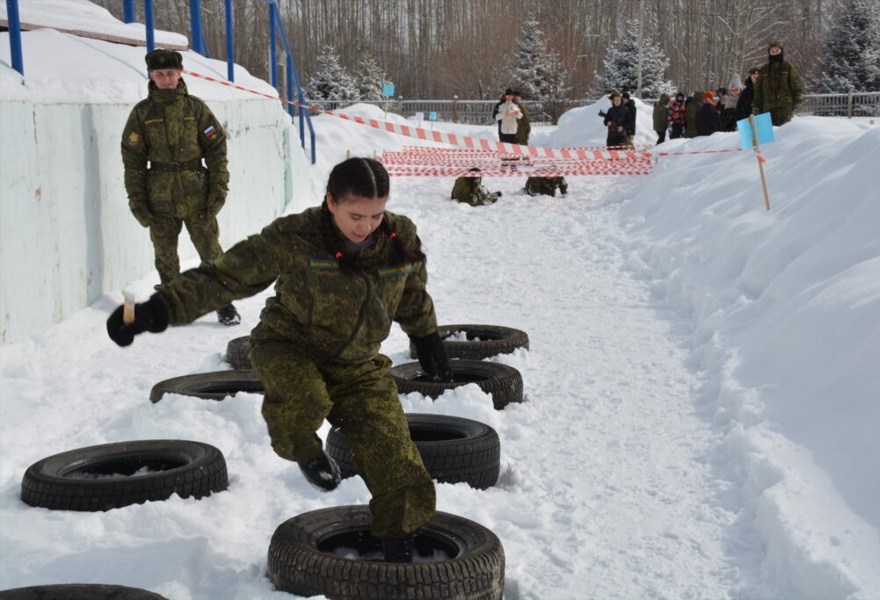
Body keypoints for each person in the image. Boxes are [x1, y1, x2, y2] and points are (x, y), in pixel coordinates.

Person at [106, 157, 453, 564]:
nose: (366, 226)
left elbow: (412, 293)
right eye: (355, 215)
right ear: (330, 202)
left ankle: (400, 544)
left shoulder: (397, 236)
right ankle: (305, 451)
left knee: (397, 460)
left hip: (358, 365)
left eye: (376, 215)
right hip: (289, 345)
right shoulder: (296, 235)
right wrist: (156, 310)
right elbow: (225, 276)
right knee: (303, 399)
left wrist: (427, 338)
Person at [122, 49, 240, 326]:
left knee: (211, 252)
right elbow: (133, 160)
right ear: (151, 75)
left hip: (196, 191)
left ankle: (223, 303)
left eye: (171, 73)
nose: (166, 79)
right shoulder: (142, 113)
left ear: (180, 73)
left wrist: (218, 189)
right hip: (159, 195)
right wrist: (137, 200)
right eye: (160, 74)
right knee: (165, 255)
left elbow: (216, 150)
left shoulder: (196, 109)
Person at [753, 41, 804, 126]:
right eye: (772, 51)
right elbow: (758, 89)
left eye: (777, 51)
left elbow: (795, 84)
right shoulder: (764, 69)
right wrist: (756, 105)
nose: (774, 53)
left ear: (781, 51)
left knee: (784, 132)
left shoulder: (787, 67)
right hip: (768, 107)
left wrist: (797, 99)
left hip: (785, 106)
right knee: (770, 134)